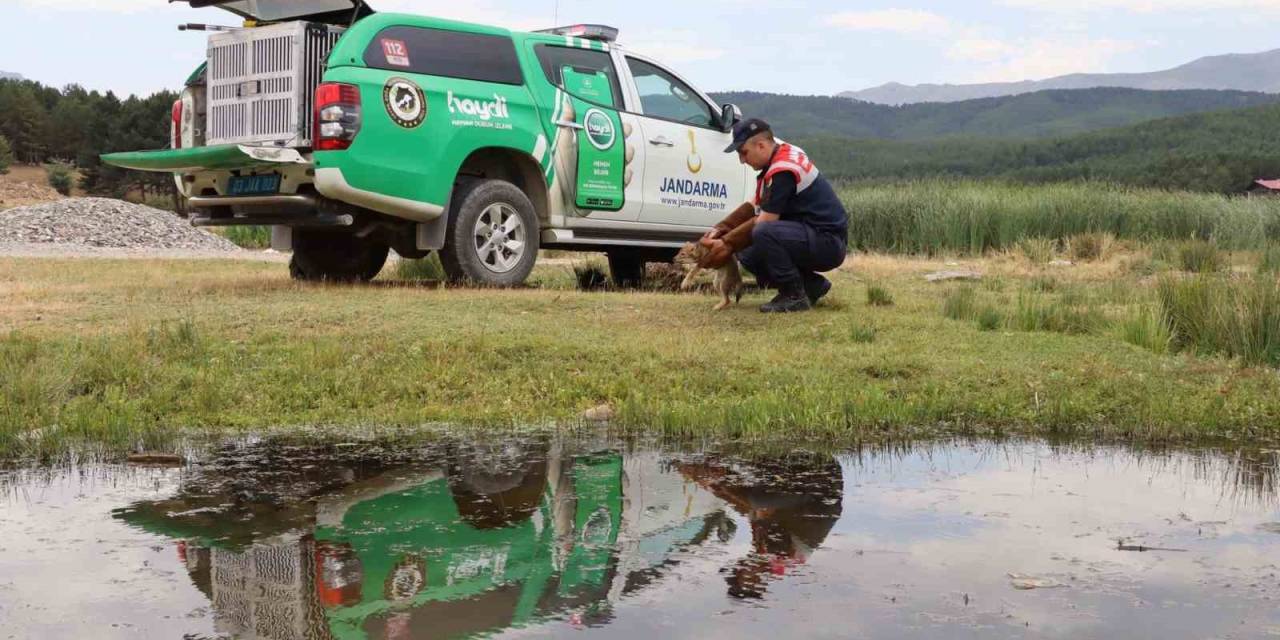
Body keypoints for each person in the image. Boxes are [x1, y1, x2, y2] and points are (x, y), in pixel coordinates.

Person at [698, 119, 849, 313]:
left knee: (762, 233)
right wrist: (719, 229)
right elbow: (754, 206)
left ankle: (794, 296)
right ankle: (811, 285)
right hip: (814, 236)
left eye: (743, 153)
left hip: (827, 243)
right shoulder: (779, 156)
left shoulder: (783, 170)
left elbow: (764, 222)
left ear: (761, 145)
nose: (742, 160)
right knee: (748, 253)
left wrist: (726, 244)